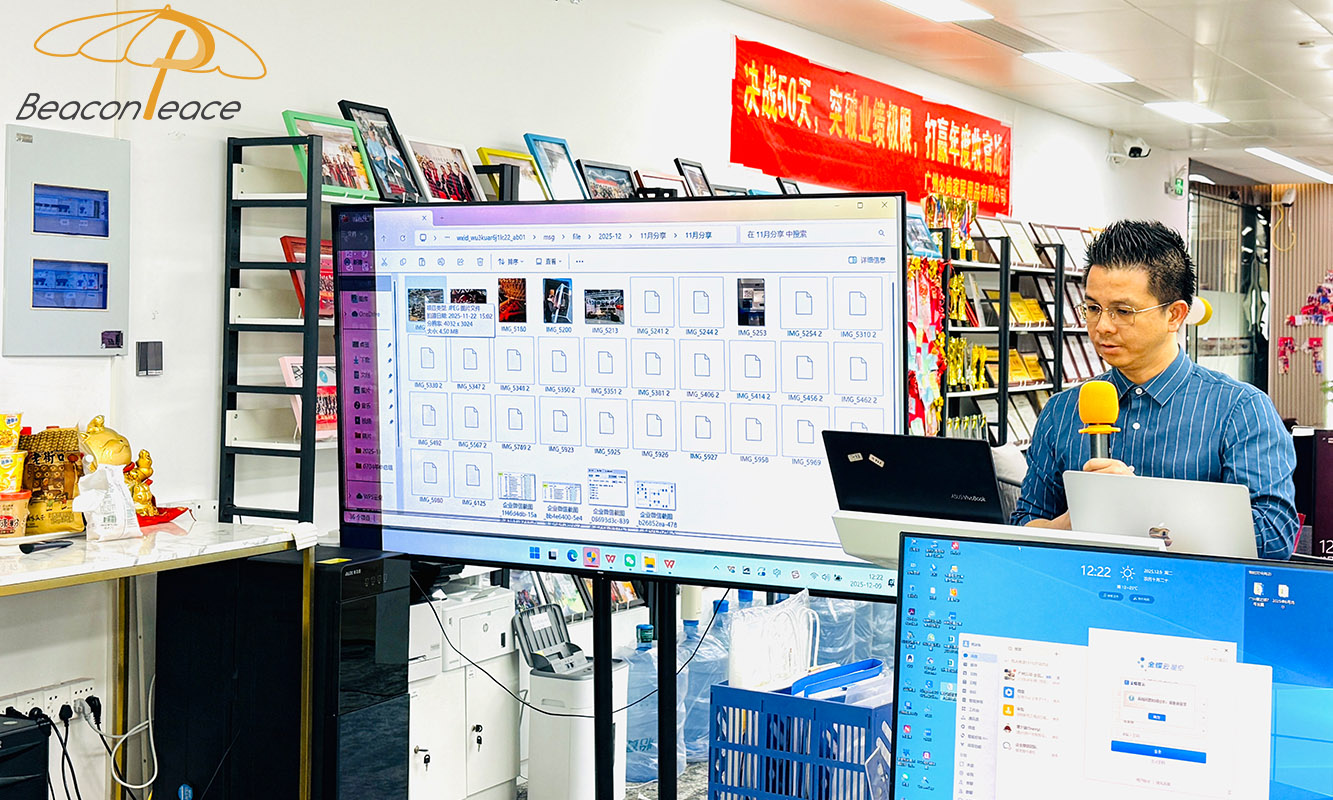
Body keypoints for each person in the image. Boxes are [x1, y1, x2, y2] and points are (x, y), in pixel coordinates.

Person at [1013, 220, 1298, 559]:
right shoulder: (1061, 411)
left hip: (1189, 593)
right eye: (1092, 308)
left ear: (1174, 315)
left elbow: (1275, 536)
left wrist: (1140, 514)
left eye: (1123, 311)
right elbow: (1022, 528)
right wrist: (1078, 520)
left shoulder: (1240, 410)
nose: (1102, 326)